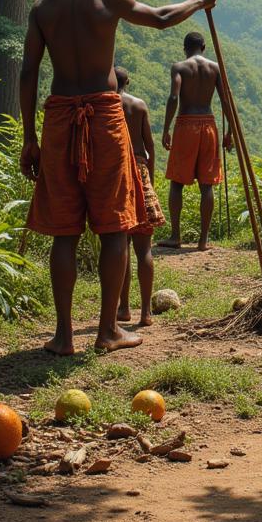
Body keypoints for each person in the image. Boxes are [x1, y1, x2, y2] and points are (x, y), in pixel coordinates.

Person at [19, 0, 216, 355]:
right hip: (104, 118)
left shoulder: (43, 6)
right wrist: (199, 0)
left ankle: (64, 335)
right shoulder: (109, 0)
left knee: (64, 232)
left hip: (58, 119)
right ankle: (108, 331)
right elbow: (163, 18)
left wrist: (29, 137)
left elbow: (29, 72)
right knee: (114, 226)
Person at [160, 31, 232, 251]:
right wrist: (229, 131)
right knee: (206, 184)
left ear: (185, 48)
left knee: (177, 183)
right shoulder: (214, 68)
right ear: (203, 46)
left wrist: (165, 129)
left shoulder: (179, 67)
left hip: (186, 124)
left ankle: (175, 236)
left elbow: (174, 97)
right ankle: (203, 240)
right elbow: (225, 98)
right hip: (208, 124)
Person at [113, 66, 163, 328]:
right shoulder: (139, 105)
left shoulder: (108, 105)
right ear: (128, 82)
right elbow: (150, 145)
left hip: (118, 174)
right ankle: (145, 313)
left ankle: (123, 308)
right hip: (140, 171)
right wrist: (149, 180)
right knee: (143, 247)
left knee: (120, 244)